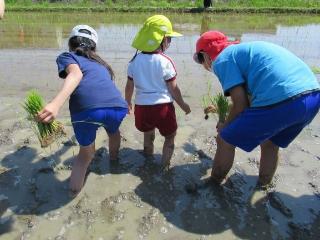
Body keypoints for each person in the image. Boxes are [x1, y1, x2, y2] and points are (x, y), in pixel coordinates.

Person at [193, 31, 320, 186]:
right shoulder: (242, 53)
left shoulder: (222, 59)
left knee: (224, 139)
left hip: (281, 101)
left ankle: (213, 184)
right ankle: (263, 185)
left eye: (200, 60)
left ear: (205, 55)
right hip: (311, 98)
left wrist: (225, 125)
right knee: (270, 144)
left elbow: (241, 105)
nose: (203, 65)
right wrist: (221, 110)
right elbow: (252, 101)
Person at [37, 25, 128, 193]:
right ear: (94, 47)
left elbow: (76, 75)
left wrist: (55, 104)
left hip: (87, 111)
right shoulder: (102, 64)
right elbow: (103, 87)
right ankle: (114, 160)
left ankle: (73, 193)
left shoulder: (67, 56)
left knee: (85, 154)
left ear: (71, 44)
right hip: (117, 107)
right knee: (114, 132)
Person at [125, 15, 191, 169]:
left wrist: (127, 102)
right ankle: (165, 166)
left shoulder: (134, 61)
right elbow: (173, 88)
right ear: (161, 40)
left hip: (142, 108)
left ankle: (148, 159)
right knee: (170, 136)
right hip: (163, 108)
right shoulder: (165, 61)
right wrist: (183, 105)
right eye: (169, 39)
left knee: (147, 133)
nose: (170, 42)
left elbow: (129, 86)